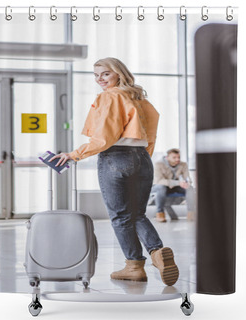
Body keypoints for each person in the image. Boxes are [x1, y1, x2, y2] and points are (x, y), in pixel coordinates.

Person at [49, 57, 179, 286]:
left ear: (118, 73)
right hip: (142, 158)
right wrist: (143, 155)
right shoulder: (139, 98)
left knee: (120, 216)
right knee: (138, 213)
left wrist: (73, 154)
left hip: (115, 157)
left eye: (105, 74)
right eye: (96, 75)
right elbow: (152, 130)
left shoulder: (110, 96)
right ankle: (156, 253)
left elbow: (104, 138)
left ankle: (134, 265)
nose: (100, 79)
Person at [151, 148, 196, 222]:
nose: (177, 159)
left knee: (190, 188)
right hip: (160, 186)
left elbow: (188, 178)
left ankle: (191, 213)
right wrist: (178, 183)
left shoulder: (183, 164)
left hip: (175, 186)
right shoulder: (158, 164)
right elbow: (159, 181)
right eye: (174, 157)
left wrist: (187, 183)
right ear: (167, 157)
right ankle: (160, 213)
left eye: (178, 157)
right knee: (161, 188)